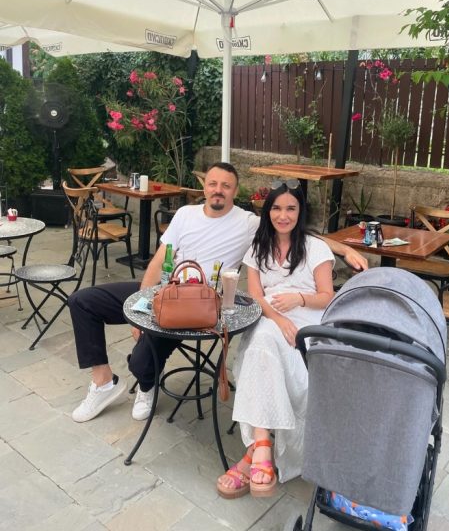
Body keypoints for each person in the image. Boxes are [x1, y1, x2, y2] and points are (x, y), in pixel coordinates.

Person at [68, 162, 367, 423]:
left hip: (198, 304)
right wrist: (144, 305)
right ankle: (103, 382)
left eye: (226, 186)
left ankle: (147, 385)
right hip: (165, 291)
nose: (218, 190)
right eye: (213, 183)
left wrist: (343, 249)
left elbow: (294, 226)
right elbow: (159, 260)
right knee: (83, 301)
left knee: (140, 362)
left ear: (235, 192)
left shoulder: (248, 223)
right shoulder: (185, 214)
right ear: (205, 187)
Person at [217, 181, 335, 499]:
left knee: (261, 348)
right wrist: (278, 319)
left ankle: (255, 451)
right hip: (269, 316)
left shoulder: (315, 248)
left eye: (291, 208)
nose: (283, 215)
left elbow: (327, 296)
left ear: (300, 211)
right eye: (277, 208)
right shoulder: (258, 248)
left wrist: (298, 298)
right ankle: (263, 445)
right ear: (268, 211)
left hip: (306, 321)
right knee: (263, 339)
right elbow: (256, 296)